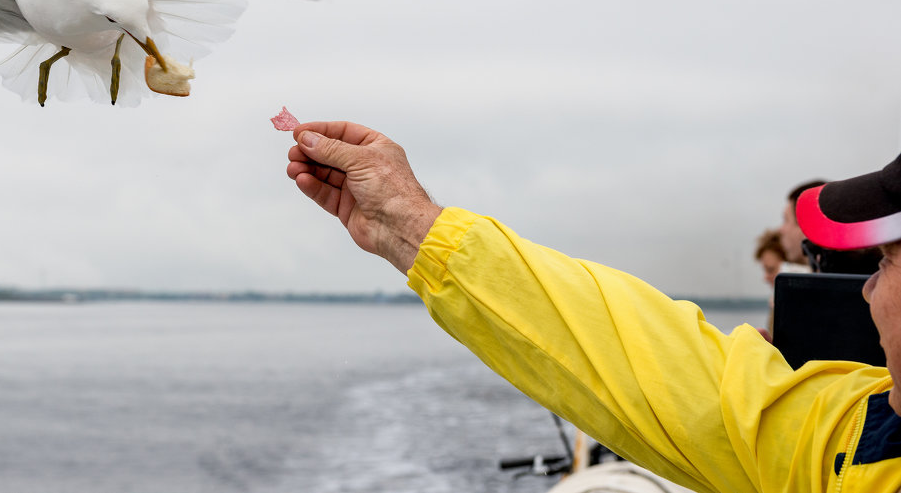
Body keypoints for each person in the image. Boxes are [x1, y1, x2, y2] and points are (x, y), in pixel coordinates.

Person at [284, 121, 901, 492]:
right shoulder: (855, 434)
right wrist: (412, 228)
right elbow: (653, 367)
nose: (867, 289)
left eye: (887, 261)